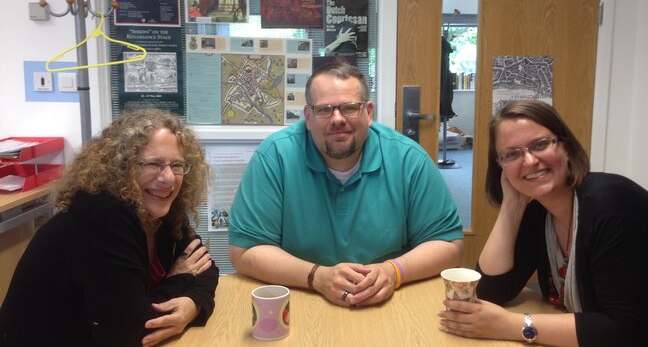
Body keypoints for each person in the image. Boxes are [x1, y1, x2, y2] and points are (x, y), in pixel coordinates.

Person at [438, 100, 648, 346]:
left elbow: (622, 332)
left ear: (566, 147)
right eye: (511, 154)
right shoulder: (541, 213)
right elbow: (492, 291)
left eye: (540, 144)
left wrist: (514, 325)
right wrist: (512, 204)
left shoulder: (610, 205)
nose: (529, 160)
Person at [229, 62, 464, 308]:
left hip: (387, 300)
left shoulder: (408, 158)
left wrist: (393, 271)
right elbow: (245, 250)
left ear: (369, 113)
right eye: (324, 110)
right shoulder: (275, 157)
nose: (338, 119)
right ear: (308, 117)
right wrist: (317, 276)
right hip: (300, 297)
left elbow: (448, 244)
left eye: (350, 108)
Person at [0, 108, 218, 347]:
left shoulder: (163, 209)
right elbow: (130, 334)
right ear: (120, 167)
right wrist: (180, 279)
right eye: (153, 164)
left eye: (177, 165)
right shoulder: (102, 217)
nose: (168, 178)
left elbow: (206, 267)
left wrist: (192, 305)